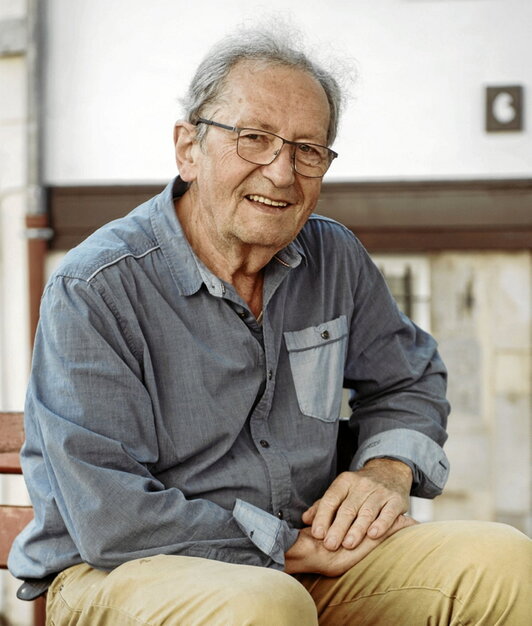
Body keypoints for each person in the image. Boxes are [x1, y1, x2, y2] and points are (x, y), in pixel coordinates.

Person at [9, 28, 530, 625]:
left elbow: (408, 380)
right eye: (254, 138)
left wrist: (385, 472)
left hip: (310, 562)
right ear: (188, 148)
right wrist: (286, 547)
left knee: (505, 562)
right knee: (264, 605)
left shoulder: (334, 258)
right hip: (125, 569)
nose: (282, 173)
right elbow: (109, 515)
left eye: (308, 149)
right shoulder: (96, 286)